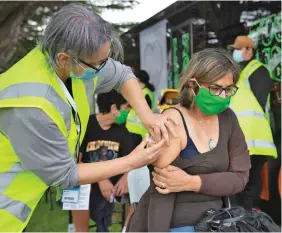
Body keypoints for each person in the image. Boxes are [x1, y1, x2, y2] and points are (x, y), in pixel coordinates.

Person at [0, 3, 176, 232]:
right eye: (98, 63)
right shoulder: (31, 106)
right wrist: (132, 162)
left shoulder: (77, 63)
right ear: (64, 59)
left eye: (106, 59)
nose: (104, 68)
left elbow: (122, 75)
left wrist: (147, 116)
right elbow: (65, 174)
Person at [127, 48, 251, 232]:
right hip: (176, 224)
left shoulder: (228, 118)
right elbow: (162, 191)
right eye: (216, 89)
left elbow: (240, 178)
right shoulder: (173, 120)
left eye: (229, 90)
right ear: (193, 85)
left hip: (218, 223)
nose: (223, 96)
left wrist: (190, 182)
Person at [72, 91, 133, 232]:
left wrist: (126, 176)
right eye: (126, 108)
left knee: (140, 183)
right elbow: (76, 162)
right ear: (113, 108)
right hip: (88, 181)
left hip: (115, 185)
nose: (129, 112)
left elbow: (131, 160)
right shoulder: (86, 125)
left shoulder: (123, 132)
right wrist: (101, 179)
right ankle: (81, 230)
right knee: (78, 184)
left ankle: (126, 229)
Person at [228, 36, 277, 210]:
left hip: (255, 135)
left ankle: (247, 221)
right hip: (243, 135)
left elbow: (258, 103)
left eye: (238, 49)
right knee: (242, 185)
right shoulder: (241, 72)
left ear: (249, 50)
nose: (235, 52)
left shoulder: (258, 70)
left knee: (250, 185)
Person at [126, 70, 156, 145]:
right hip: (136, 132)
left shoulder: (144, 93)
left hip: (138, 133)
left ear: (138, 80)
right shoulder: (145, 92)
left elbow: (141, 109)